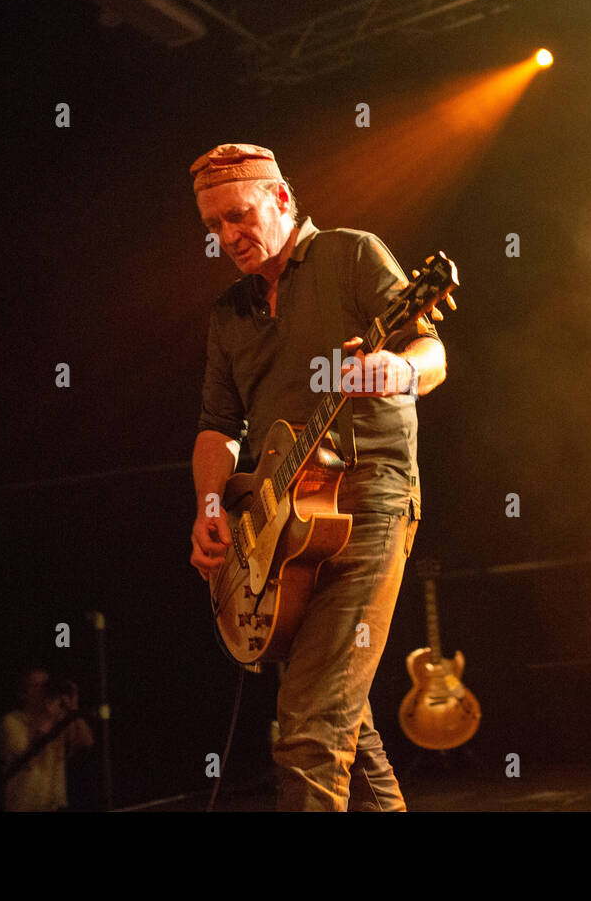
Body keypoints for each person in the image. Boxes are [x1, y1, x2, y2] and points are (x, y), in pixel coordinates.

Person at [188, 143, 447, 811]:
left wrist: (400, 370)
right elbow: (217, 427)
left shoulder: (350, 255)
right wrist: (210, 506)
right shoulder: (229, 313)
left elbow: (432, 349)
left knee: (308, 727)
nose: (226, 237)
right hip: (279, 530)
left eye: (237, 217)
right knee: (344, 729)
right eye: (213, 227)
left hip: (367, 502)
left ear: (279, 197)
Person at [0, 667, 94, 811]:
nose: (43, 691)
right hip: (24, 807)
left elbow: (86, 742)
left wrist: (73, 708)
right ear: (23, 693)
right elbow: (27, 760)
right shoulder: (13, 721)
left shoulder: (57, 719)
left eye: (46, 686)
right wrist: (49, 716)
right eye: (37, 686)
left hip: (54, 806)